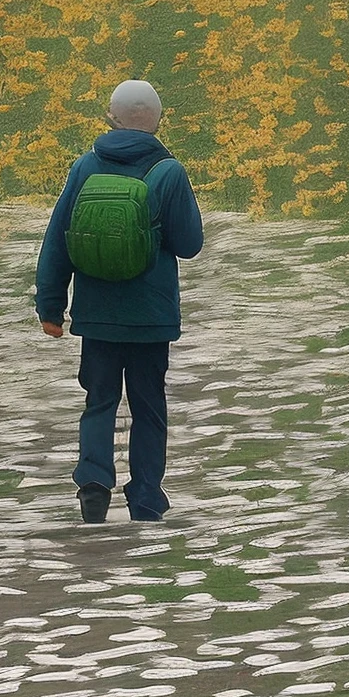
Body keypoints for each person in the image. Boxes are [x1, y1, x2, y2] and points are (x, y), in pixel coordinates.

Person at [35, 78, 204, 523]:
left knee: (100, 400)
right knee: (149, 406)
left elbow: (57, 241)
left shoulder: (85, 167)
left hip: (98, 316)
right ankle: (146, 498)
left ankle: (93, 484)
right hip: (151, 317)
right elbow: (189, 244)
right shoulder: (169, 171)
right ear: (157, 119)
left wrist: (51, 307)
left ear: (111, 117)